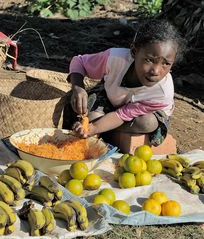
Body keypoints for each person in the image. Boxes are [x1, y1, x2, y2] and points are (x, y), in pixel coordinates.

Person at [64, 18, 187, 149]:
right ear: (134, 51)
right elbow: (79, 62)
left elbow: (122, 115)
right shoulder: (115, 58)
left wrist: (94, 127)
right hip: (111, 98)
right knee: (91, 116)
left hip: (138, 116)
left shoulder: (162, 93)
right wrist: (78, 87)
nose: (155, 71)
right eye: (150, 60)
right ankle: (105, 130)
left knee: (147, 123)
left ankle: (106, 132)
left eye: (166, 63)